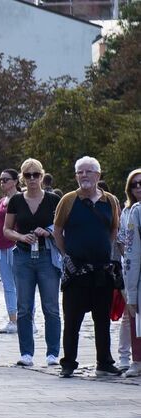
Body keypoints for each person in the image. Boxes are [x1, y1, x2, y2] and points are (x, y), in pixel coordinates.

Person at [53, 156, 122, 378]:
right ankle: (68, 362)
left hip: (102, 269)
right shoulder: (68, 200)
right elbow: (57, 230)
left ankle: (104, 361)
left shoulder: (110, 201)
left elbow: (113, 229)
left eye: (89, 171)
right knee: (72, 318)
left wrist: (107, 250)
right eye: (80, 172)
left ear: (98, 175)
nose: (84, 176)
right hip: (77, 270)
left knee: (102, 318)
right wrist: (66, 255)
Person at [3, 158, 62, 368]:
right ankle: (26, 352)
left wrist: (47, 231)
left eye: (36, 174)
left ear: (42, 176)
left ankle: (53, 352)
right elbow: (6, 229)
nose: (32, 179)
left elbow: (62, 227)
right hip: (23, 255)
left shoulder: (53, 199)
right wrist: (21, 237)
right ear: (22, 178)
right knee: (24, 307)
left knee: (51, 307)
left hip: (47, 255)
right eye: (27, 175)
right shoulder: (17, 200)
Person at [118, 168, 141, 378]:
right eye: (134, 184)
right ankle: (128, 356)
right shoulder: (128, 211)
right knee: (130, 312)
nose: (138, 188)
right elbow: (122, 240)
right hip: (131, 266)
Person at [0, 169, 20, 334]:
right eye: (1, 179)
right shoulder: (2, 200)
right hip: (1, 247)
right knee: (8, 285)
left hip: (15, 246)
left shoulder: (21, 199)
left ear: (16, 181)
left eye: (6, 179)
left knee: (21, 285)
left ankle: (27, 320)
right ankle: (12, 320)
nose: (2, 182)